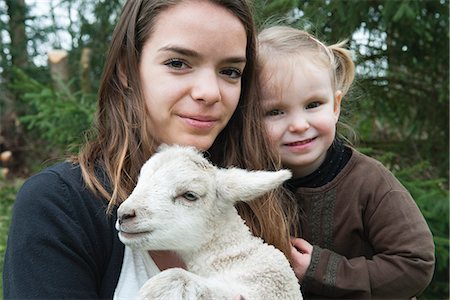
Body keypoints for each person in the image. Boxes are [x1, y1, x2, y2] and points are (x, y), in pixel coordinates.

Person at [3, 1, 298, 298]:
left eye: (231, 71)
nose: (210, 92)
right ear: (126, 70)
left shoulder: (265, 201)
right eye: (178, 63)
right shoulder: (59, 206)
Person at [257, 25, 435, 299]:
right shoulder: (249, 184)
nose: (299, 125)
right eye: (275, 111)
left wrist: (322, 270)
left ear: (335, 106)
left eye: (313, 104)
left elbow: (415, 264)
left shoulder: (370, 182)